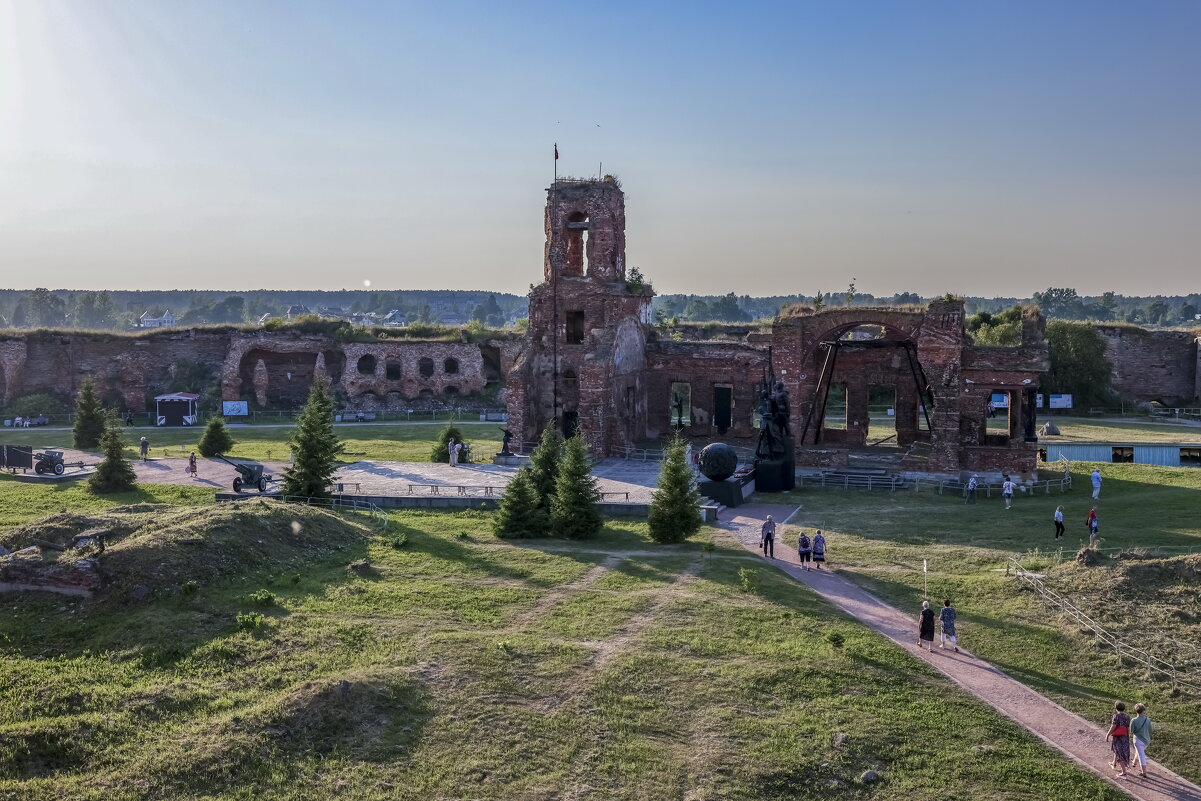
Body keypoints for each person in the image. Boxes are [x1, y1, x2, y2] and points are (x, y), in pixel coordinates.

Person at [1107, 701, 1131, 777]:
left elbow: (1113, 726)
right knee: (1118, 750)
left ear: (1116, 708)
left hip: (1117, 737)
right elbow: (1127, 728)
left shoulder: (1116, 716)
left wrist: (1108, 734)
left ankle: (1124, 772)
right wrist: (1128, 736)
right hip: (1124, 737)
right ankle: (1114, 763)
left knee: (1119, 753)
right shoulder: (1127, 717)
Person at [1130, 703, 1152, 778]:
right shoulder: (1148, 720)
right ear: (1143, 710)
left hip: (1138, 740)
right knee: (1139, 751)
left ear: (1136, 710)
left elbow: (1131, 731)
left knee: (1141, 755)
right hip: (1146, 740)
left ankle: (1144, 772)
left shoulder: (1134, 720)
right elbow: (1150, 730)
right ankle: (1134, 763)